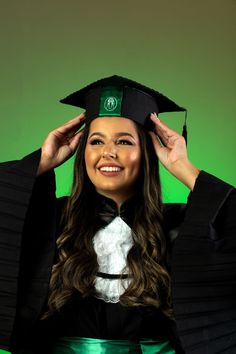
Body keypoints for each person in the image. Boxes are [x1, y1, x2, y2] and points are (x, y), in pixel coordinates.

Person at [0, 75, 235, 354]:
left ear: (147, 153)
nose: (108, 153)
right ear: (82, 151)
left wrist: (185, 168)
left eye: (124, 142)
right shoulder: (52, 220)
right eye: (96, 142)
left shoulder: (178, 225)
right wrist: (39, 162)